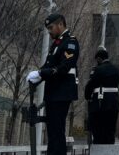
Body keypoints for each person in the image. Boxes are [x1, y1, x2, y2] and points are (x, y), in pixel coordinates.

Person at [26, 13, 79, 155]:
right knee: (52, 132)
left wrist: (41, 74)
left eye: (51, 27)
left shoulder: (70, 42)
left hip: (62, 93)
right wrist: (38, 76)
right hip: (54, 93)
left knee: (56, 131)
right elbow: (48, 65)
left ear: (60, 24)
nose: (49, 31)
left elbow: (64, 67)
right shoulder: (57, 44)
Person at [85, 48, 119, 145]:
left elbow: (90, 85)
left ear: (99, 59)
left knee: (99, 130)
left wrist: (87, 96)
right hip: (114, 103)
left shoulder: (98, 70)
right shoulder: (117, 70)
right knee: (110, 129)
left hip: (100, 104)